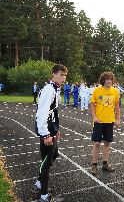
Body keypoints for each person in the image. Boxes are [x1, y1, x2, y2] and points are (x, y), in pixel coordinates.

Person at [33, 64, 68, 202]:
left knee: (54, 154)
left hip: (51, 128)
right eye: (61, 75)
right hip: (46, 130)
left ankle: (39, 183)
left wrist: (56, 129)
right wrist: (45, 134)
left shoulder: (54, 89)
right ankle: (44, 196)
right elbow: (41, 113)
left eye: (65, 75)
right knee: (46, 162)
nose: (64, 78)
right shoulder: (49, 90)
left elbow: (52, 112)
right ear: (54, 74)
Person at [89, 72, 120, 175]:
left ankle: (105, 164)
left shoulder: (115, 91)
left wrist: (117, 119)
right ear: (103, 80)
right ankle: (94, 165)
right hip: (99, 121)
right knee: (97, 143)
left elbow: (117, 106)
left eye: (111, 79)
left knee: (107, 143)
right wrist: (94, 117)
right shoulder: (97, 90)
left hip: (110, 121)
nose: (109, 81)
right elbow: (92, 104)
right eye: (107, 79)